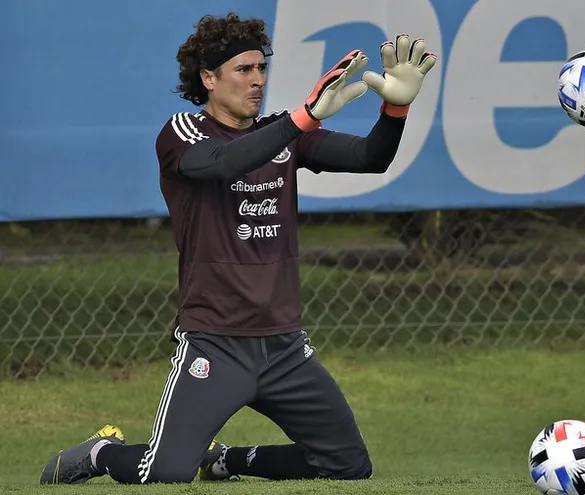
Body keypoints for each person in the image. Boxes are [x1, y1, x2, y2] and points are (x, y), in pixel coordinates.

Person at [39, 12, 436, 485]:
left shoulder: (285, 137)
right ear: (209, 78)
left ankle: (227, 460)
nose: (257, 81)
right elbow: (224, 164)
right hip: (215, 343)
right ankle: (102, 453)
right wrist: (303, 117)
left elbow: (372, 158)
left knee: (347, 466)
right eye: (243, 70)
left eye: (261, 68)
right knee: (164, 472)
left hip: (284, 347)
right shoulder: (184, 132)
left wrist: (395, 110)